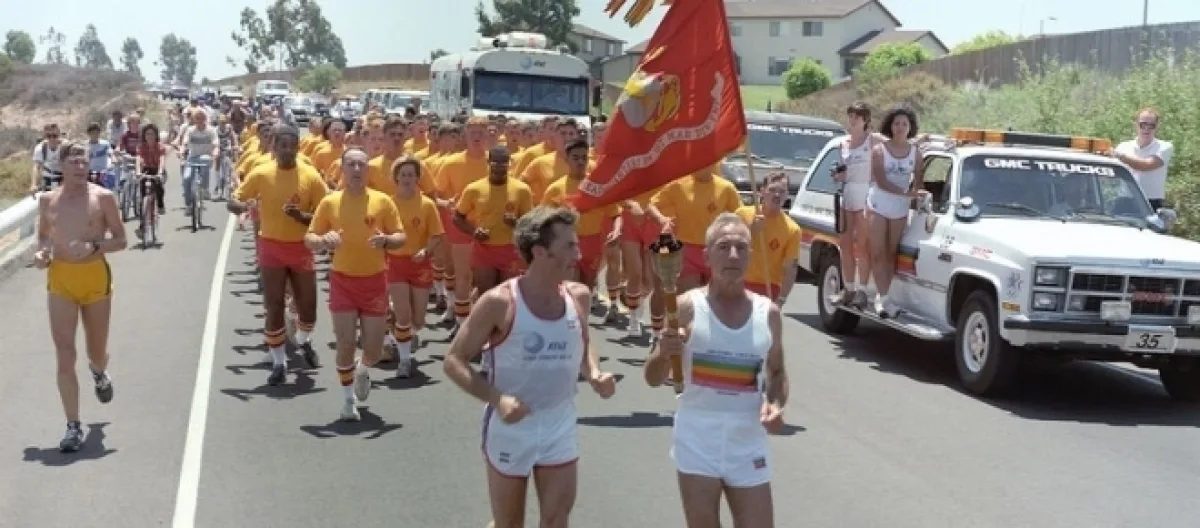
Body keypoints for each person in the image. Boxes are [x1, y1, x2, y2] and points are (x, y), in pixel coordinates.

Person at [443, 206, 617, 528]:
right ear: (539, 251)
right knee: (509, 523)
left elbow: (582, 339)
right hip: (512, 427)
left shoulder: (578, 296)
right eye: (569, 246)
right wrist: (497, 399)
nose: (578, 254)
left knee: (556, 521)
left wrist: (593, 371)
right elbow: (454, 361)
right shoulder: (499, 302)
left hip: (559, 423)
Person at [643, 213, 788, 528]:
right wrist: (664, 353)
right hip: (697, 437)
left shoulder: (769, 313)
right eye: (723, 247)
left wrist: (775, 404)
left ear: (750, 255)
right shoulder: (685, 307)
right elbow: (652, 378)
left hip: (747, 439)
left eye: (741, 247)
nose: (733, 255)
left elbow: (777, 372)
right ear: (707, 256)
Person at [33, 141, 128, 452]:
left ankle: (99, 372)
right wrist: (42, 254)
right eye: (73, 162)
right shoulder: (48, 200)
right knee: (65, 354)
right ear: (60, 166)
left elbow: (121, 239)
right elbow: (44, 237)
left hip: (94, 279)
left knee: (96, 351)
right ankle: (73, 425)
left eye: (84, 161)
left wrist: (94, 246)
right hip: (61, 280)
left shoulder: (103, 197)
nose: (80, 166)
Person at [306, 147, 406, 421]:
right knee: (346, 343)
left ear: (368, 169)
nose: (357, 170)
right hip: (343, 281)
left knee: (374, 350)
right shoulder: (330, 202)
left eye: (361, 164)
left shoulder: (382, 201)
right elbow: (310, 238)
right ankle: (348, 401)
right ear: (342, 169)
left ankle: (362, 369)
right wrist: (323, 240)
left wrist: (387, 240)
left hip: (374, 282)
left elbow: (401, 236)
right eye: (351, 164)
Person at [228, 124, 328, 386]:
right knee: (274, 305)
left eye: (291, 145)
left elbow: (325, 215)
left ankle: (303, 340)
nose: (287, 150)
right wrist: (240, 205)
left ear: (298, 147)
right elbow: (235, 199)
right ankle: (279, 363)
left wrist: (300, 216)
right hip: (271, 247)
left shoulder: (310, 176)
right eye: (282, 145)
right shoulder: (261, 173)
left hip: (301, 248)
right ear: (273, 146)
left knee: (308, 309)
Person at [385, 156, 444, 376]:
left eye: (411, 175)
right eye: (403, 175)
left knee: (418, 320)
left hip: (420, 265)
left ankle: (400, 321)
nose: (407, 179)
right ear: (396, 178)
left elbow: (437, 235)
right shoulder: (387, 204)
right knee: (404, 317)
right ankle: (404, 361)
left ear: (418, 178)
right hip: (395, 262)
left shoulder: (427, 204)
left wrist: (426, 251)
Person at [866, 107, 925, 318]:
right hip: (879, 203)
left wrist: (918, 196)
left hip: (900, 208)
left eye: (904, 124)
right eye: (896, 123)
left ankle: (883, 295)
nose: (900, 128)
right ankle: (883, 299)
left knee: (892, 253)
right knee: (878, 252)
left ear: (910, 128)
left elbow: (919, 182)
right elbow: (881, 181)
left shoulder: (916, 153)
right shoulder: (879, 150)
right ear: (890, 126)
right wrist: (907, 193)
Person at [540, 139, 621, 291]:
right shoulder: (556, 189)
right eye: (575, 158)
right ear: (566, 159)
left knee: (587, 288)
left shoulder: (598, 186)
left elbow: (615, 213)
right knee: (571, 287)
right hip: (567, 242)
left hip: (593, 243)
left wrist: (616, 231)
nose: (580, 162)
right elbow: (542, 218)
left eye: (584, 157)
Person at [454, 146, 535, 295]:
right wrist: (474, 232)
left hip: (510, 249)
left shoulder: (522, 190)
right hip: (484, 249)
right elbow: (457, 217)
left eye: (504, 162)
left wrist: (516, 222)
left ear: (509, 164)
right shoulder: (474, 189)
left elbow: (530, 224)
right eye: (496, 162)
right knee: (486, 293)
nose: (499, 166)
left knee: (509, 295)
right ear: (488, 162)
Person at [832, 102, 876, 307]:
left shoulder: (872, 139)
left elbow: (897, 142)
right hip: (847, 192)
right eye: (850, 116)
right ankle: (848, 288)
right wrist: (838, 175)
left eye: (857, 117)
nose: (852, 120)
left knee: (863, 246)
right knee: (845, 244)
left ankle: (863, 291)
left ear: (865, 120)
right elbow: (842, 171)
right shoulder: (843, 143)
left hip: (865, 191)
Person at [737, 172, 800, 307]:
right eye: (772, 190)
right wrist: (750, 230)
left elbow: (790, 269)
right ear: (762, 192)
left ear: (787, 195)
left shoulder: (792, 229)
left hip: (768, 289)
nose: (776, 195)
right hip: (738, 283)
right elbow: (728, 246)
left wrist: (781, 300)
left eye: (782, 191)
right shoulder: (742, 214)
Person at [1114, 107, 1174, 210]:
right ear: (1136, 125)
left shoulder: (1164, 147)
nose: (1147, 129)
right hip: (1124, 200)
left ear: (1157, 127)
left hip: (1151, 202)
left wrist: (1120, 157)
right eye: (1143, 124)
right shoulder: (1123, 147)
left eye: (1151, 126)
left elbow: (1146, 165)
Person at [30, 123, 64, 193]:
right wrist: (33, 184)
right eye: (48, 136)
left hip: (63, 178)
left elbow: (70, 167)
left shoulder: (65, 147)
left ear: (59, 135)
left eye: (54, 136)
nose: (51, 139)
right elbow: (36, 167)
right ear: (45, 136)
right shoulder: (40, 148)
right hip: (47, 180)